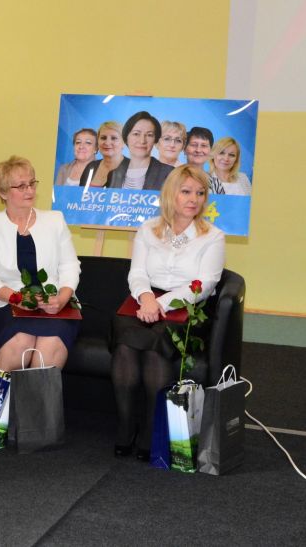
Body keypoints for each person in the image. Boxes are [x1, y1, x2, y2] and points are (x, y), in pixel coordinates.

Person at [110, 164, 225, 460]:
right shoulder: (148, 229)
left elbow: (205, 285)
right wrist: (147, 298)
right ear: (171, 193)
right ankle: (125, 427)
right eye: (186, 191)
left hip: (186, 308)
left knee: (156, 348)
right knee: (124, 345)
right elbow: (137, 273)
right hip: (143, 301)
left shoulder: (212, 236)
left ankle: (150, 432)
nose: (194, 199)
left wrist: (160, 304)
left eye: (200, 193)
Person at [0, 157, 81, 372]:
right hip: (9, 304)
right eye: (21, 186)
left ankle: (36, 396)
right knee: (20, 340)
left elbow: (70, 266)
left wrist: (62, 298)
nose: (29, 190)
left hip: (55, 304)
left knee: (49, 344)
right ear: (3, 192)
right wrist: (16, 298)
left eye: (32, 183)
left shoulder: (55, 220)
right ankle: (0, 393)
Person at [107, 111, 174, 191]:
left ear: (155, 140)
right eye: (136, 134)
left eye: (149, 135)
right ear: (126, 137)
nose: (142, 141)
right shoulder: (113, 174)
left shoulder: (169, 173)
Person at [79, 121, 125, 187]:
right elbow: (80, 192)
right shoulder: (91, 166)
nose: (107, 143)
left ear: (123, 143)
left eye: (114, 138)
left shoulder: (132, 168)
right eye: (103, 138)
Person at [184, 126, 225, 194]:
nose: (198, 150)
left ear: (210, 151)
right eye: (194, 145)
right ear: (184, 149)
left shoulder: (216, 183)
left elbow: (222, 201)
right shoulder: (173, 177)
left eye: (204, 145)